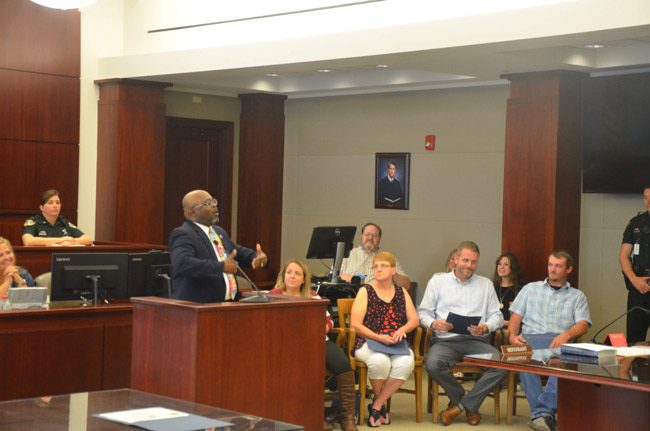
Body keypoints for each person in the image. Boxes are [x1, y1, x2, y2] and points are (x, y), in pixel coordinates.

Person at [418, 241, 507, 426]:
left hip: (475, 340)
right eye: (466, 260)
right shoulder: (438, 282)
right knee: (433, 364)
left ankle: (460, 406)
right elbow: (423, 313)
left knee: (501, 364)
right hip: (445, 341)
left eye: (474, 262)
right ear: (456, 260)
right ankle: (468, 405)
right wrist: (435, 323)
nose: (469, 265)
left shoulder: (486, 284)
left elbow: (497, 317)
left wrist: (485, 327)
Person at [508, 250, 592, 431]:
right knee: (522, 359)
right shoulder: (530, 289)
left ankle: (540, 414)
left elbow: (583, 324)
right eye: (550, 265)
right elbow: (515, 317)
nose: (552, 270)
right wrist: (512, 336)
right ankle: (543, 415)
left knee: (566, 363)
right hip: (530, 339)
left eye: (558, 266)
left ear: (568, 269)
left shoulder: (577, 296)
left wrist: (566, 334)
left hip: (560, 341)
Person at [269, 259, 357, 431]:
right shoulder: (274, 294)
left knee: (343, 364)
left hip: (317, 340)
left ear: (304, 279)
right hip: (287, 346)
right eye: (289, 272)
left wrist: (322, 328)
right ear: (283, 275)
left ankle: (347, 418)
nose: (292, 276)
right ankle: (313, 416)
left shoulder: (313, 296)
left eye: (297, 273)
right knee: (303, 370)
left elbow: (328, 319)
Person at [350, 251, 419, 427]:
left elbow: (414, 320)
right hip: (368, 340)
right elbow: (355, 324)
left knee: (406, 362)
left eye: (383, 266)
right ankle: (379, 409)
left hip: (394, 342)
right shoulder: (366, 291)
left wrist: (402, 329)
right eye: (376, 266)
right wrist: (378, 337)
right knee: (380, 362)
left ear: (393, 270)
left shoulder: (401, 292)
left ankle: (377, 404)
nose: (378, 269)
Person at [169, 189, 268, 303]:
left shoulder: (218, 232)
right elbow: (182, 264)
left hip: (228, 304)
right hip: (199, 307)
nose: (214, 206)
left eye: (214, 202)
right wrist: (221, 267)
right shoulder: (183, 233)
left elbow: (237, 252)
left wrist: (257, 257)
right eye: (208, 203)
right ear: (192, 212)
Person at [619, 185, 650, 345]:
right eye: (645, 197)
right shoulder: (636, 223)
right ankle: (634, 371)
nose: (648, 201)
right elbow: (624, 256)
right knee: (634, 341)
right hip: (638, 288)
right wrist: (633, 279)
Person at [340, 222, 410, 289]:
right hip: (350, 296)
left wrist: (393, 273)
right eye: (367, 234)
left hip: (378, 297)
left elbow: (406, 285)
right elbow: (333, 277)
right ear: (362, 236)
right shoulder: (347, 254)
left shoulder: (388, 257)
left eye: (375, 235)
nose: (370, 238)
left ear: (379, 239)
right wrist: (354, 279)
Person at [22, 189, 93, 246]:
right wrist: (61, 240)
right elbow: (28, 241)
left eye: (58, 202)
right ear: (42, 207)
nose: (55, 205)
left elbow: (88, 240)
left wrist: (72, 242)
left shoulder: (63, 222)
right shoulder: (34, 221)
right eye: (50, 203)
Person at [492, 252, 523, 321]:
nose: (501, 267)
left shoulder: (520, 290)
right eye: (499, 264)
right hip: (492, 329)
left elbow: (520, 319)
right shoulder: (492, 287)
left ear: (513, 268)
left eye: (506, 264)